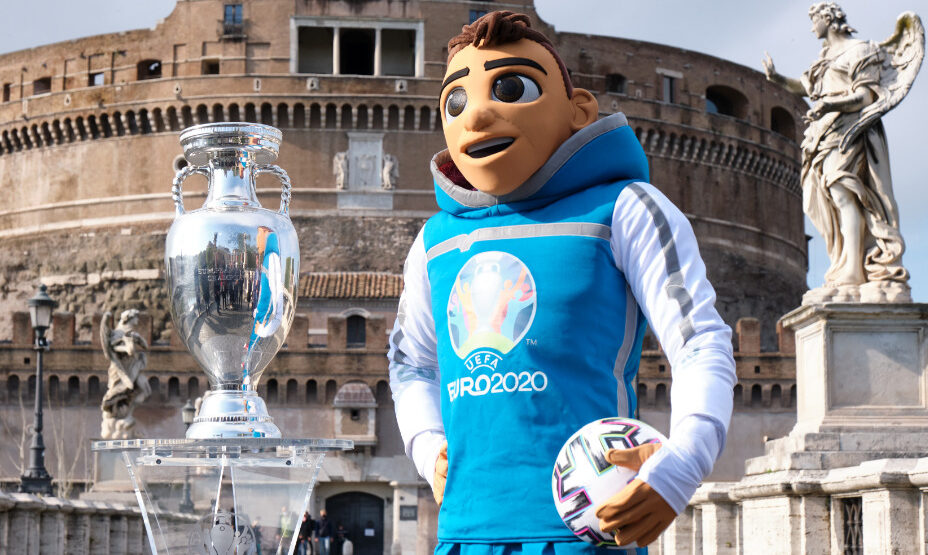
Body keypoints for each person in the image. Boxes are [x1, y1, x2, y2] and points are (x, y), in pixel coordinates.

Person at [387, 11, 736, 553]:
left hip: (585, 535)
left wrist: (684, 462)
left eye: (511, 88)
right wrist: (427, 444)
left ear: (579, 111)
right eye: (456, 102)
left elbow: (699, 341)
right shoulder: (434, 241)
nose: (476, 114)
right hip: (461, 535)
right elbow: (410, 363)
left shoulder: (625, 209)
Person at [762, 2, 916, 303]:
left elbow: (866, 96)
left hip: (852, 130)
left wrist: (829, 104)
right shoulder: (825, 58)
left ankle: (853, 271)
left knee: (846, 194)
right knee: (829, 200)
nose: (812, 28)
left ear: (828, 19)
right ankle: (843, 263)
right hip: (825, 133)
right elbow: (807, 86)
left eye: (814, 20)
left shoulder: (861, 50)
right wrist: (777, 78)